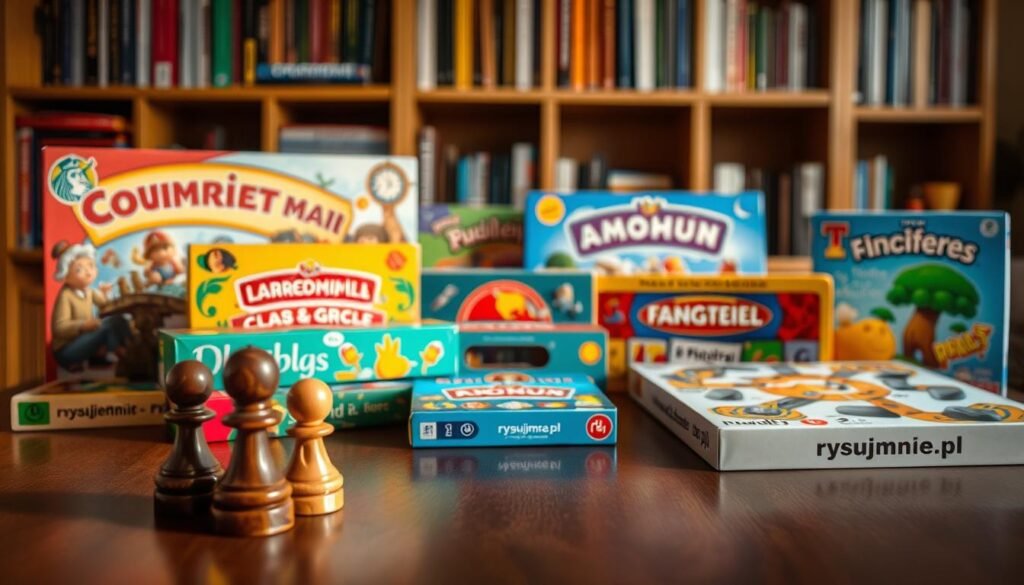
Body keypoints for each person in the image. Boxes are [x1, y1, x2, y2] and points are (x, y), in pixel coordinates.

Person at [50, 241, 131, 372]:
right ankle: (124, 358)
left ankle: (132, 349)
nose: (88, 273)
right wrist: (82, 325)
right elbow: (59, 327)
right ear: (66, 276)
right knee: (106, 328)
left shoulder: (89, 291)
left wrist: (105, 293)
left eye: (91, 266)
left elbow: (107, 308)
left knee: (117, 320)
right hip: (66, 349)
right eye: (79, 269)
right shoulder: (66, 296)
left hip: (84, 340)